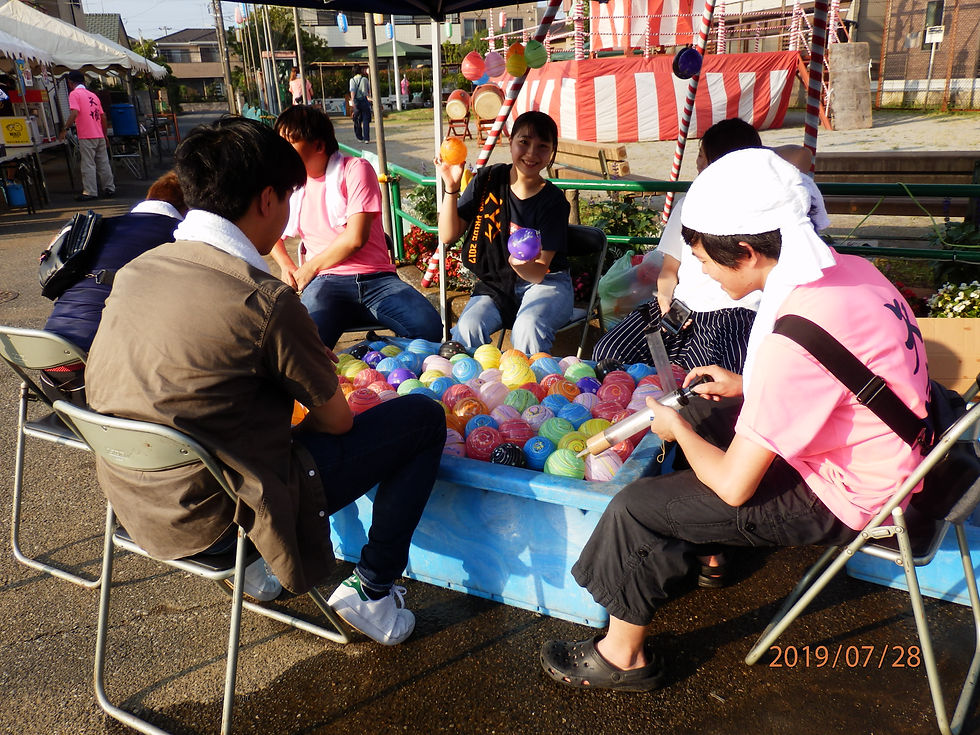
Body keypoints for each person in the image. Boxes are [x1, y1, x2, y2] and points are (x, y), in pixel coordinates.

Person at [539, 148, 930, 690]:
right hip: (886, 451)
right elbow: (844, 373)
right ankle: (711, 554)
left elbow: (733, 485)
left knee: (638, 506)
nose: (699, 270)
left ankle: (622, 657)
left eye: (703, 259)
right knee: (703, 408)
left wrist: (675, 431)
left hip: (856, 492)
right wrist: (747, 387)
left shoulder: (793, 333)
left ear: (745, 252)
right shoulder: (847, 272)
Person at [85, 116, 446, 643]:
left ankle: (254, 572)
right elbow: (338, 422)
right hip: (222, 517)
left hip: (137, 504)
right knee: (421, 420)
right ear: (267, 200)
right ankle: (373, 591)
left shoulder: (139, 270)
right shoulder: (263, 299)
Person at [591, 119, 765, 372]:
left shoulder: (761, 210)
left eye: (703, 156)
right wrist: (664, 299)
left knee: (699, 376)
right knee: (609, 354)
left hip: (732, 314)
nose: (698, 163)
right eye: (699, 155)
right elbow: (669, 269)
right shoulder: (689, 204)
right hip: (681, 308)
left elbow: (799, 156)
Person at [271, 105, 443, 349]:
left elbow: (355, 238)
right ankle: (367, 351)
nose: (283, 154)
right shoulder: (293, 185)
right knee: (305, 346)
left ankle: (373, 347)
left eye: (290, 145)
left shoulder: (356, 169)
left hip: (377, 279)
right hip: (326, 282)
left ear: (318, 146)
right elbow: (269, 232)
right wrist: (286, 265)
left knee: (429, 328)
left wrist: (309, 267)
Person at [41, 172, 186, 404]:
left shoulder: (100, 227)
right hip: (100, 381)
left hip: (48, 368)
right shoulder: (179, 236)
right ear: (187, 208)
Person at [436, 110, 573, 355]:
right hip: (497, 284)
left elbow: (539, 272)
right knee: (468, 327)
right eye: (524, 142)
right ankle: (470, 389)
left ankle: (529, 388)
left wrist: (517, 263)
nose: (531, 154)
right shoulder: (489, 180)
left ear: (552, 151)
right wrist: (452, 187)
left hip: (546, 283)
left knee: (527, 326)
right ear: (510, 142)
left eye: (542, 146)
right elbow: (448, 235)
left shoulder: (554, 202)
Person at [58, 70, 115, 201]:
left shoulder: (74, 94)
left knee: (88, 163)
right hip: (99, 133)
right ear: (83, 82)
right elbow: (103, 116)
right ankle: (109, 188)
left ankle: (90, 191)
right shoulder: (93, 95)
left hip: (86, 134)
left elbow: (74, 113)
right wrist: (104, 134)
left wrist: (65, 128)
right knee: (103, 162)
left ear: (70, 83)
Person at [349, 66, 371, 143]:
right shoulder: (365, 79)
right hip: (364, 100)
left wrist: (352, 101)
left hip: (356, 101)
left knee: (357, 119)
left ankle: (359, 137)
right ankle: (366, 138)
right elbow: (368, 91)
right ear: (360, 71)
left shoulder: (352, 80)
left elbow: (352, 91)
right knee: (366, 120)